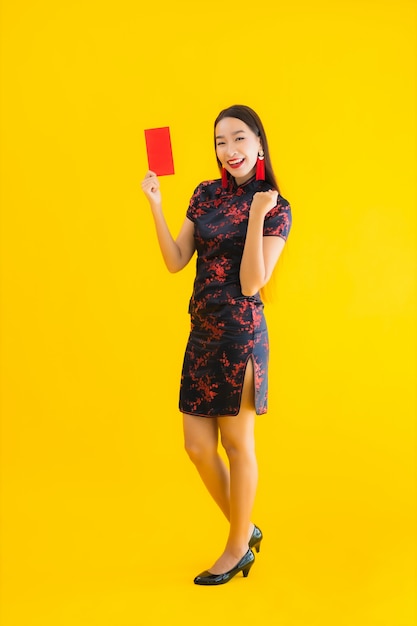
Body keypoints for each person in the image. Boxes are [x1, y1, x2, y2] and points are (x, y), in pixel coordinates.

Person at [141, 104, 292, 585]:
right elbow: (176, 259)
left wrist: (254, 217)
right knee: (197, 446)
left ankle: (235, 548)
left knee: (235, 443)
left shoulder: (276, 207)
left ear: (259, 144)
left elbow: (252, 283)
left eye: (240, 139)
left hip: (241, 336)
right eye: (221, 142)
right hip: (201, 332)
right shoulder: (205, 194)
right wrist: (156, 204)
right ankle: (244, 529)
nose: (230, 151)